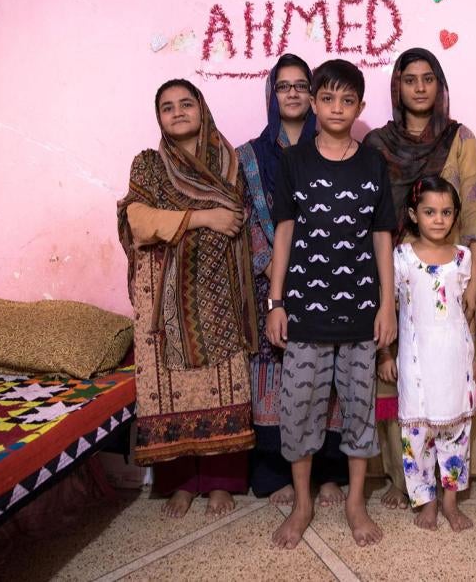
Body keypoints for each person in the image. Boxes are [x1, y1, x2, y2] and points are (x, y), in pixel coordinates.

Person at [265, 59, 397, 549]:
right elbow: (284, 231)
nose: (337, 108)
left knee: (360, 412)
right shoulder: (295, 162)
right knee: (299, 410)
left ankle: (354, 502)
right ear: (314, 102)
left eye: (348, 100)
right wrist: (276, 302)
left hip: (361, 311)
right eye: (328, 98)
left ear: (360, 107)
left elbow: (382, 236)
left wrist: (387, 306)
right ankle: (302, 504)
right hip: (304, 311)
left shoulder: (372, 162)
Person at [364, 47, 476, 510]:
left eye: (428, 78)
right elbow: (370, 214)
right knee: (394, 375)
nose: (420, 87)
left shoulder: (460, 139)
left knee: (454, 371)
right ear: (397, 87)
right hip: (392, 269)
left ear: (439, 86)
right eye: (409, 79)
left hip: (451, 273)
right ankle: (403, 484)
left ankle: (454, 483)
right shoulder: (377, 144)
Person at [117, 79, 257, 518]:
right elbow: (138, 220)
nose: (177, 112)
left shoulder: (232, 163)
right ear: (158, 117)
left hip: (220, 290)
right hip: (163, 296)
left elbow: (242, 220)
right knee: (170, 388)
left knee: (224, 383)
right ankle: (180, 483)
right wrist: (204, 217)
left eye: (185, 104)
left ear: (202, 108)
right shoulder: (149, 165)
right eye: (167, 107)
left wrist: (211, 220)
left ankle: (221, 482)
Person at [236, 54, 349, 507]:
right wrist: (271, 269)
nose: (294, 93)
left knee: (329, 374)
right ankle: (272, 474)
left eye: (303, 85)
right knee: (277, 372)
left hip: (327, 279)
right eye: (284, 86)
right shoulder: (251, 155)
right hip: (274, 283)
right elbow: (243, 219)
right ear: (272, 95)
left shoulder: (336, 146)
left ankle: (328, 474)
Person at [378, 175, 476, 532]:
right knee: (417, 437)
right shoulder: (401, 257)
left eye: (446, 212)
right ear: (413, 214)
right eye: (430, 211)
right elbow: (389, 308)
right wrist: (386, 355)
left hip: (455, 360)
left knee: (456, 432)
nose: (439, 219)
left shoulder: (464, 258)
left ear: (455, 216)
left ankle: (451, 503)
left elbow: (468, 315)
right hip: (416, 362)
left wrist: (474, 359)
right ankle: (427, 502)